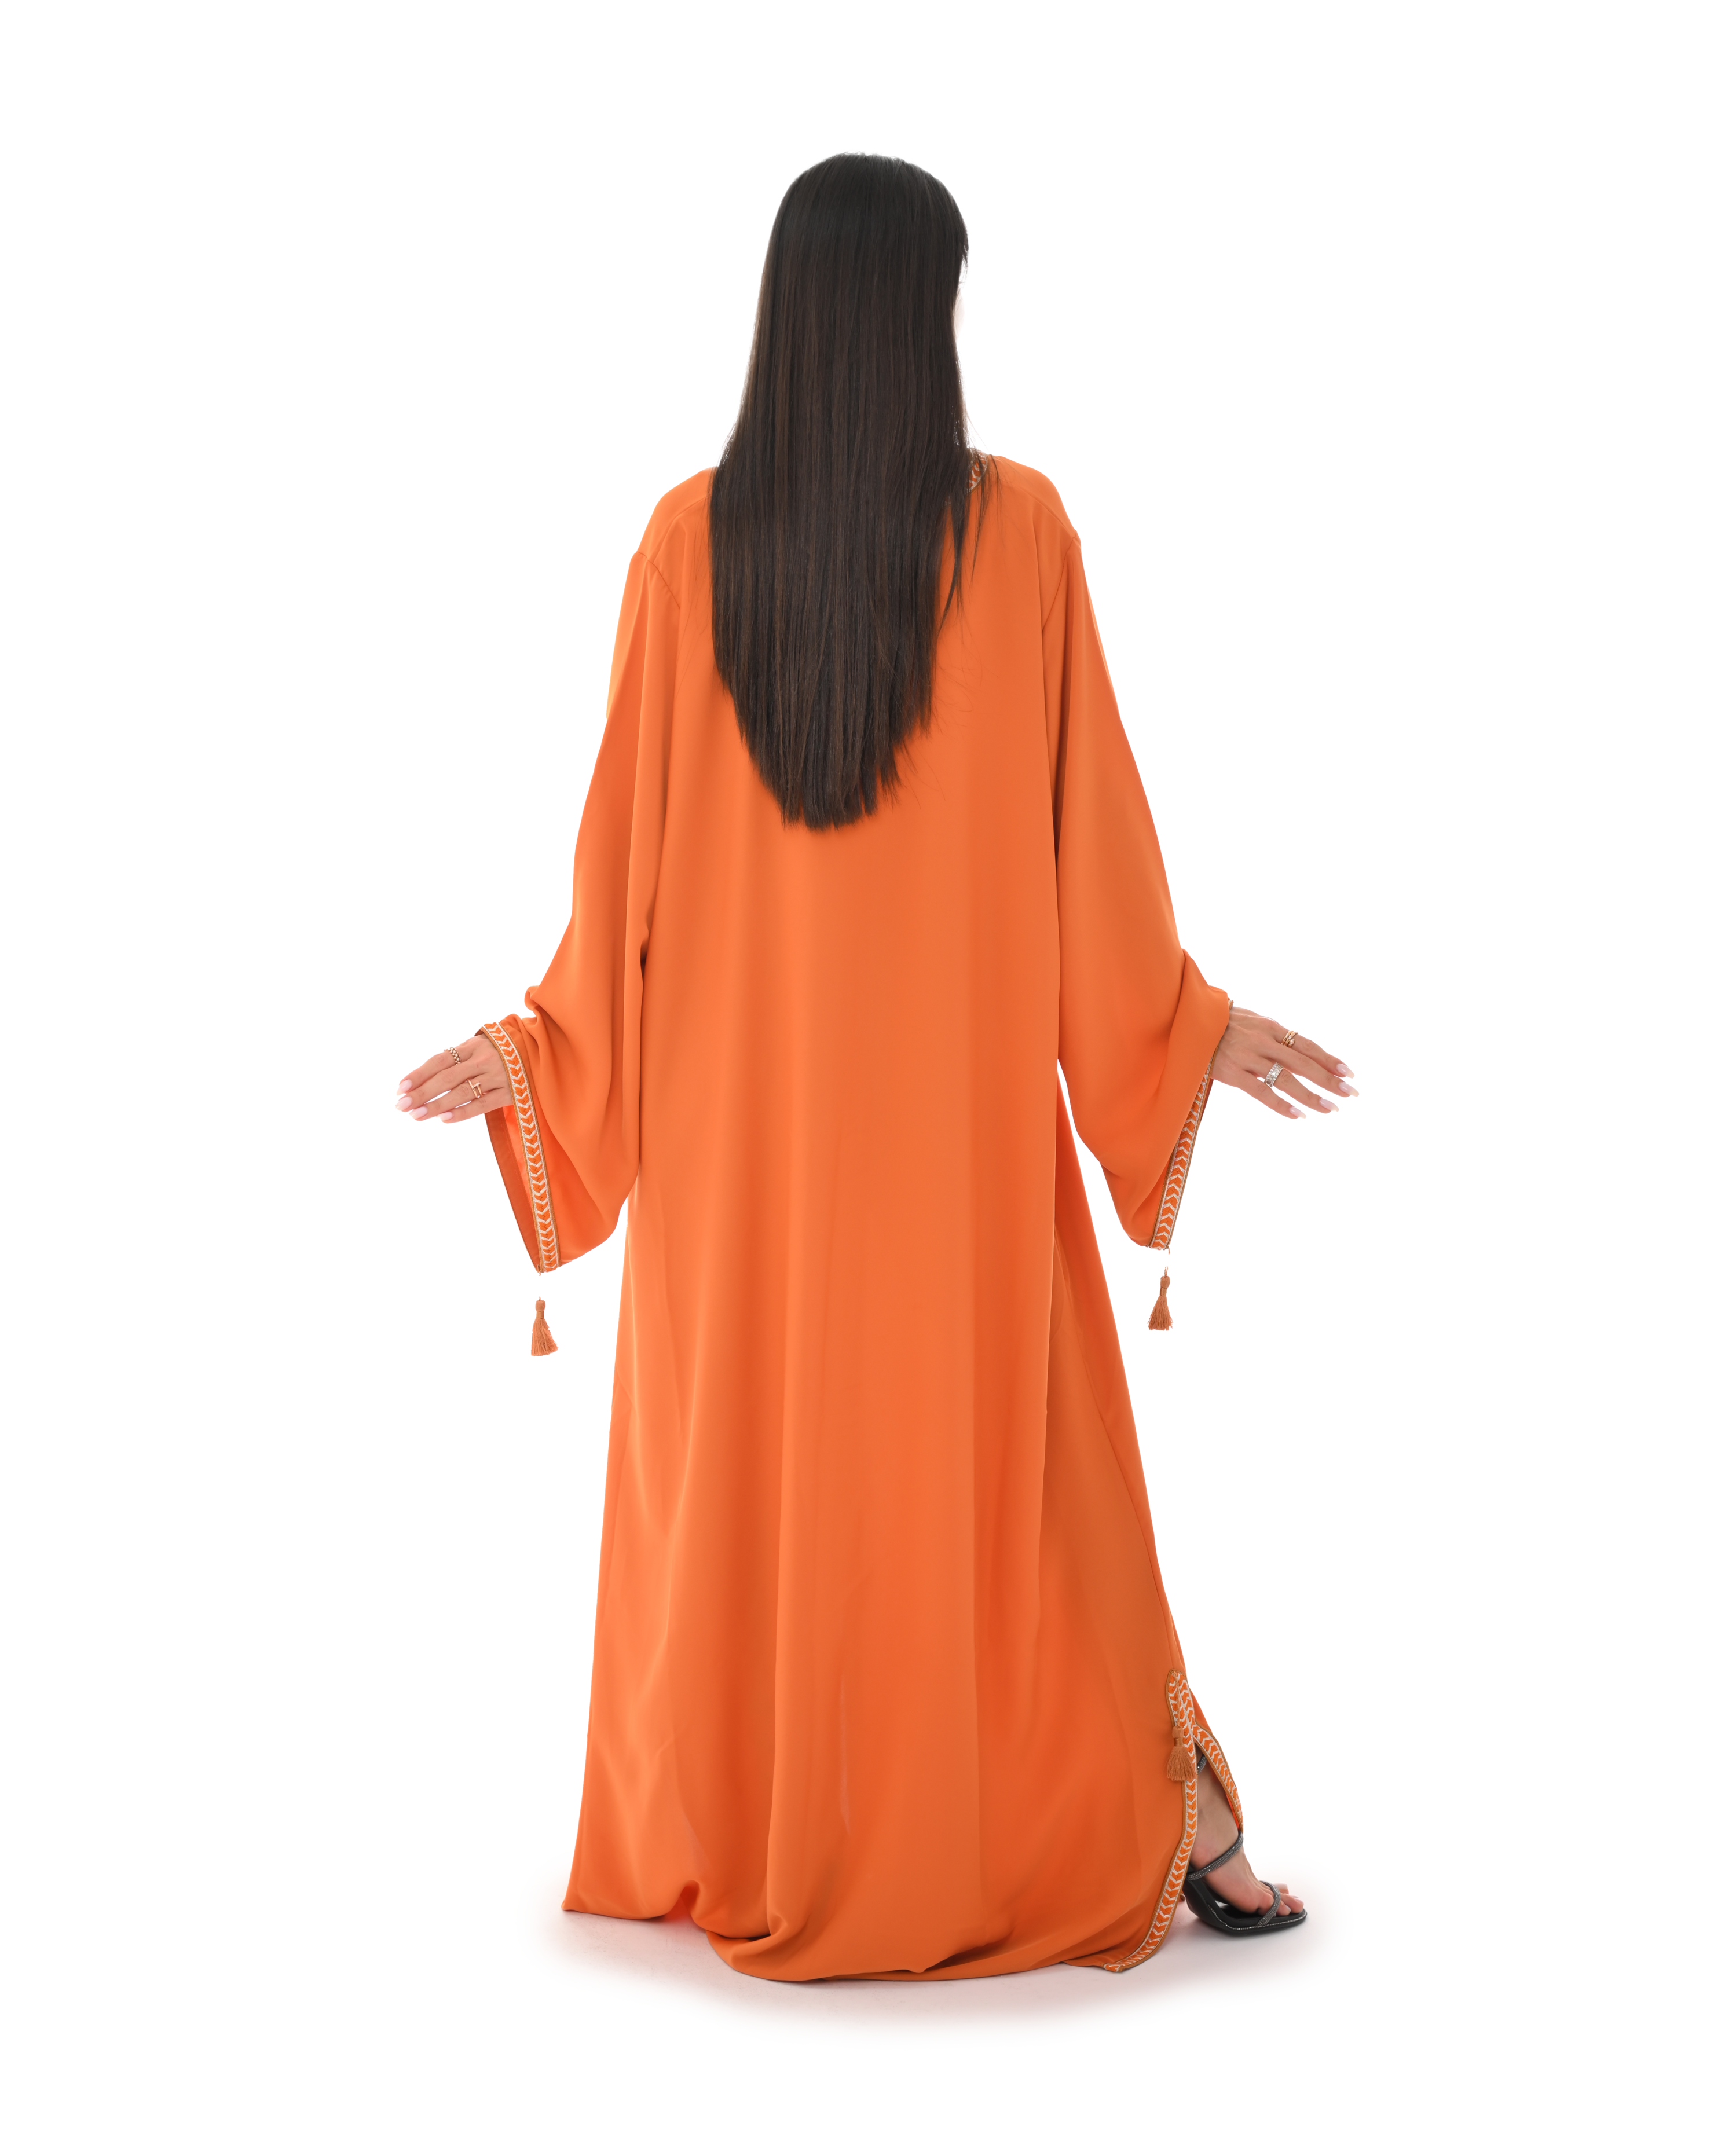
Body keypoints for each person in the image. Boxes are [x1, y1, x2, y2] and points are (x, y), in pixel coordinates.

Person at [397, 154, 1353, 1981]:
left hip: (744, 1154)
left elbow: (626, 877)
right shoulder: (979, 532)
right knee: (1031, 1497)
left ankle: (889, 1824)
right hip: (944, 1146)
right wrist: (1178, 1024)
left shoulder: (718, 538)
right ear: (920, 316)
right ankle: (1182, 1825)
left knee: (801, 1492)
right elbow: (1082, 858)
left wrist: (550, 1048)